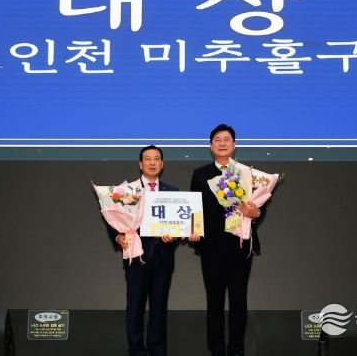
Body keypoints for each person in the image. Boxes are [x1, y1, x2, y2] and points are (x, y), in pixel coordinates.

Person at [189, 124, 262, 356]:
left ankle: (237, 350)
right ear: (211, 146)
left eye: (227, 139)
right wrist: (193, 230)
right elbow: (194, 209)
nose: (222, 143)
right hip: (212, 247)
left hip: (240, 244)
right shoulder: (200, 174)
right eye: (217, 140)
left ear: (234, 144)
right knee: (214, 300)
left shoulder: (247, 173)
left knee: (239, 300)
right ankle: (217, 350)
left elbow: (258, 207)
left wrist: (256, 213)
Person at [107, 145, 178, 356]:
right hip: (136, 257)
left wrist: (174, 236)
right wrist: (118, 237)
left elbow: (179, 224)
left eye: (157, 159)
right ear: (140, 164)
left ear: (162, 164)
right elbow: (113, 220)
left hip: (163, 259)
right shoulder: (127, 191)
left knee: (159, 309)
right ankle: (136, 350)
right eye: (148, 159)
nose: (152, 162)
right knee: (135, 307)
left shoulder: (173, 192)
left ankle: (157, 350)